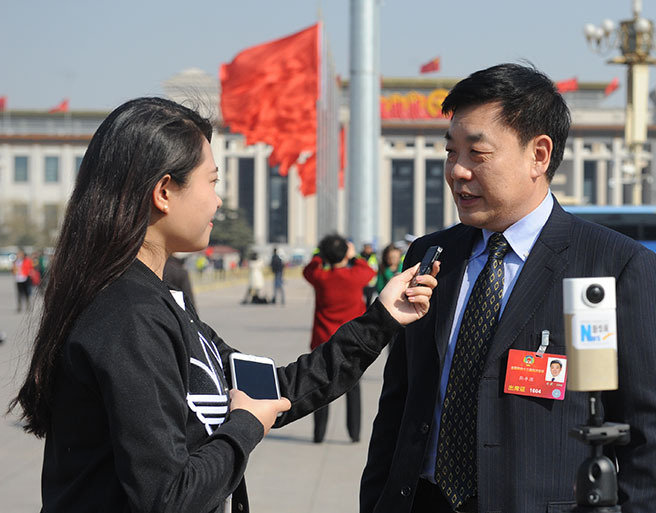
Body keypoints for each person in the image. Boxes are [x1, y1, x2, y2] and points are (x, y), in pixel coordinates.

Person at [6, 97, 438, 513]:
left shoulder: (159, 303)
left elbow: (273, 390)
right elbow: (169, 498)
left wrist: (381, 320)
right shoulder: (128, 318)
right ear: (163, 192)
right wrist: (244, 426)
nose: (217, 199)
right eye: (211, 182)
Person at [360, 64, 656, 513]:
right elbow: (398, 405)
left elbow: (653, 433)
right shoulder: (431, 255)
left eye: (477, 153)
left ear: (539, 155)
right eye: (451, 152)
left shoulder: (614, 267)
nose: (457, 171)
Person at [303, 234, 377, 443]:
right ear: (346, 253)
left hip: (323, 340)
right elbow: (369, 270)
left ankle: (319, 434)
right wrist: (353, 255)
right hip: (352, 341)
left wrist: (320, 255)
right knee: (353, 388)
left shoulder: (320, 277)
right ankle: (354, 433)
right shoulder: (355, 276)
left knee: (320, 388)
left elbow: (308, 269)